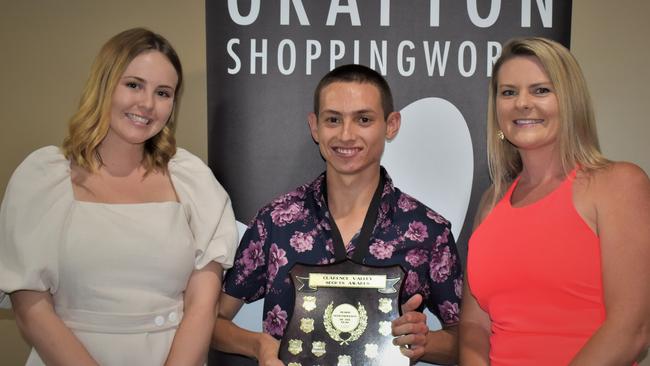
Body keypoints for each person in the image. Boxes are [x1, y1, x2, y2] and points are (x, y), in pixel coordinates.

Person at [0, 28, 238, 365]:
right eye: (134, 85)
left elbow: (203, 305)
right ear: (104, 85)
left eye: (163, 92)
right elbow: (31, 309)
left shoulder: (193, 181)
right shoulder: (43, 178)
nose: (147, 104)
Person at [211, 64, 462, 365]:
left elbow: (467, 341)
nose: (346, 134)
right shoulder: (276, 222)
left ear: (391, 124)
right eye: (333, 119)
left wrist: (425, 343)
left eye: (364, 119)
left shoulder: (428, 231)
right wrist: (257, 345)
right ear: (315, 126)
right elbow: (212, 321)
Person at [459, 37, 650, 365]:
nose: (522, 103)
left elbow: (631, 330)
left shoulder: (618, 184)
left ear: (570, 101)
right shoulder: (491, 203)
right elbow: (475, 325)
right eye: (508, 92)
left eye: (541, 90)